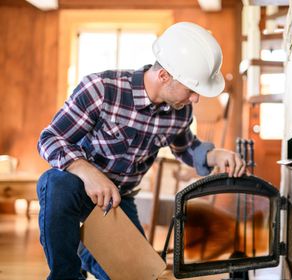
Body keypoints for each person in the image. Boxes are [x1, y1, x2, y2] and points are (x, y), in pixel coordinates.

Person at [36, 22, 246, 280]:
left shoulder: (180, 111)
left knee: (142, 278)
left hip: (118, 201)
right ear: (164, 75)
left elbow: (186, 148)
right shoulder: (101, 89)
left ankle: (87, 249)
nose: (196, 99)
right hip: (79, 188)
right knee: (55, 181)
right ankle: (66, 276)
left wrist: (215, 155)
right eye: (192, 89)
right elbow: (50, 139)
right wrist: (88, 173)